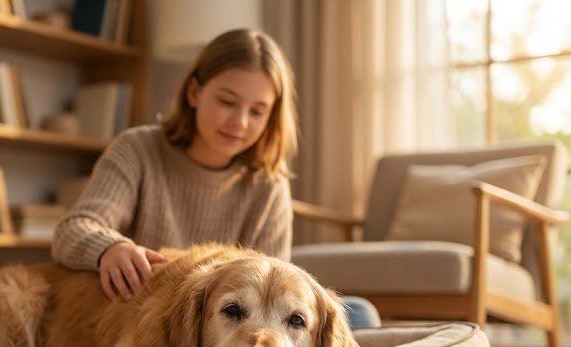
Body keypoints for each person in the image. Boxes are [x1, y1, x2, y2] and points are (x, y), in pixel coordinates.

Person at [52, 28, 380, 328]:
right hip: (148, 321)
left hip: (231, 326)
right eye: (227, 102)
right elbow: (73, 229)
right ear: (194, 92)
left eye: (257, 111)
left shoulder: (268, 183)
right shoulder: (138, 148)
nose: (239, 122)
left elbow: (270, 287)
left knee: (360, 314)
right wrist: (110, 248)